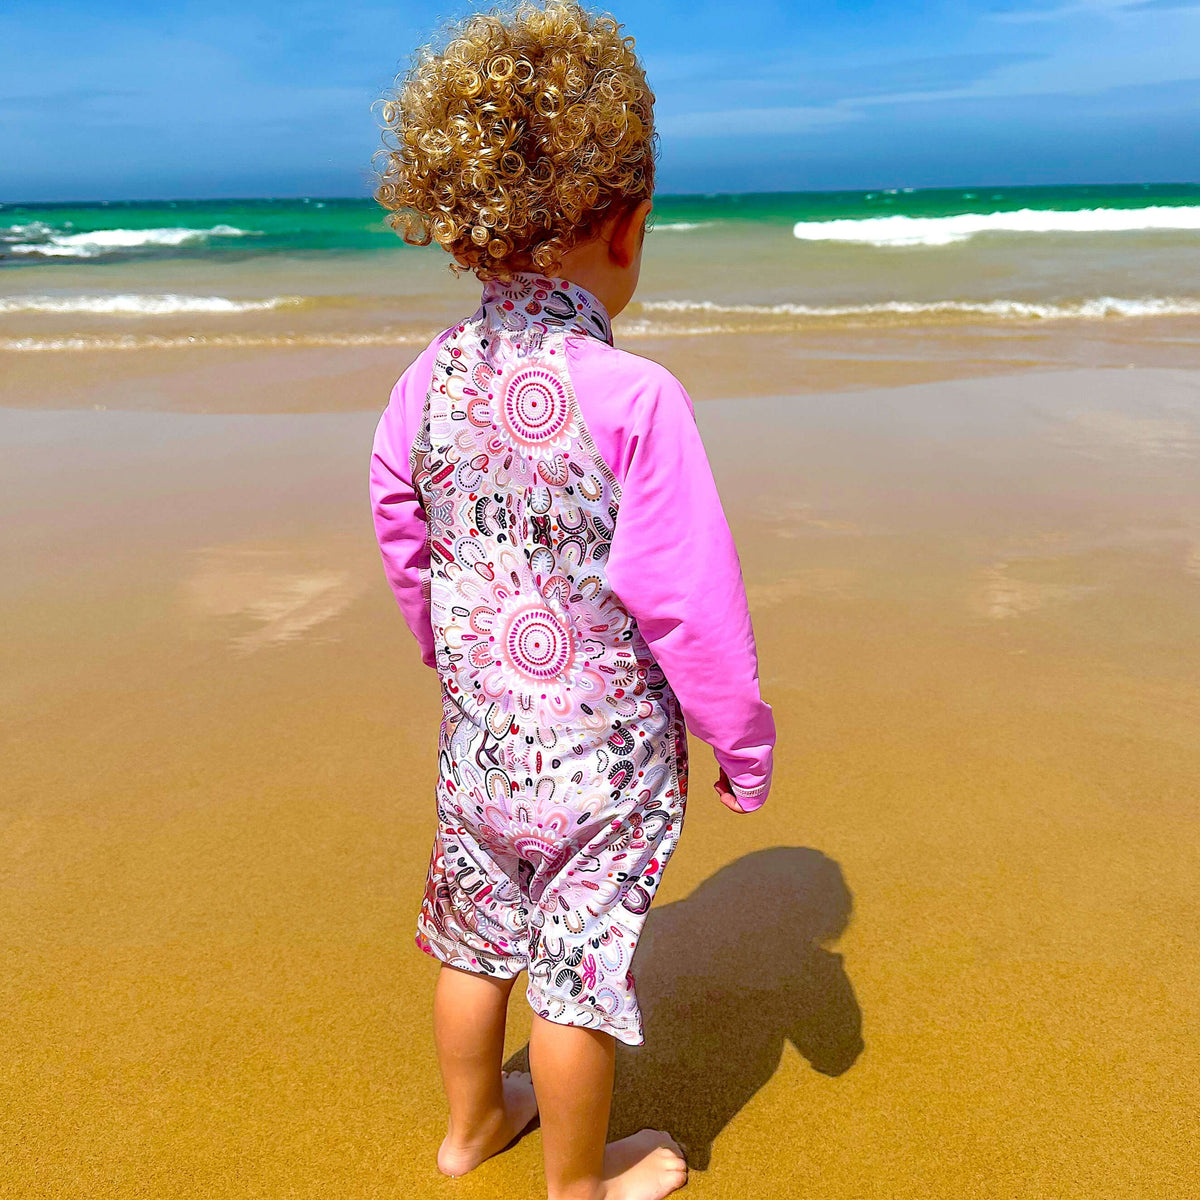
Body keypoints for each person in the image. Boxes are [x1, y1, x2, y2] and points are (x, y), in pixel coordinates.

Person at [369, 5, 774, 1197]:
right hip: (603, 766)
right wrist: (739, 742)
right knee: (576, 970)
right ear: (628, 224)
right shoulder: (634, 394)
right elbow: (688, 600)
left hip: (483, 733)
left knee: (473, 937)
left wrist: (451, 655)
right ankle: (577, 1183)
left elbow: (405, 532)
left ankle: (464, 1132)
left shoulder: (425, 382)